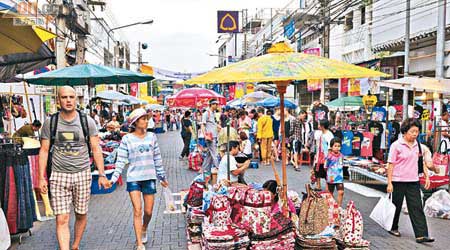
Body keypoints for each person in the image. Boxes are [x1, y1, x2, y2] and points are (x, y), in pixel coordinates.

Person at [38, 86, 108, 250]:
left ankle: (75, 245)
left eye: (71, 97)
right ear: (58, 100)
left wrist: (102, 174)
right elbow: (44, 150)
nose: (68, 100)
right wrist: (42, 177)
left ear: (76, 99)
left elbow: (96, 148)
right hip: (58, 175)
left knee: (81, 214)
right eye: (64, 97)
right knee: (62, 218)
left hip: (82, 174)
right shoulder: (51, 122)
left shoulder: (87, 121)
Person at [109, 108, 169, 250]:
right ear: (135, 122)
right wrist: (113, 178)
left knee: (148, 212)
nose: (146, 121)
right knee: (138, 210)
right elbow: (121, 161)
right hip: (134, 179)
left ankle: (144, 227)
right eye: (143, 119)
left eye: (146, 118)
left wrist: (162, 177)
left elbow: (157, 158)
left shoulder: (152, 137)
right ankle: (139, 243)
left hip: (149, 178)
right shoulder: (127, 139)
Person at [386, 118, 434, 244]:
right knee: (395, 206)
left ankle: (422, 234)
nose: (415, 134)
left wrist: (426, 176)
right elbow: (390, 164)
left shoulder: (418, 145)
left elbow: (421, 162)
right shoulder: (396, 146)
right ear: (405, 131)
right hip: (398, 180)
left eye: (417, 132)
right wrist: (389, 182)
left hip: (413, 180)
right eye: (412, 131)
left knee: (417, 207)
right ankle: (393, 227)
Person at [201, 99, 221, 183]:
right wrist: (205, 135)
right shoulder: (206, 113)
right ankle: (219, 168)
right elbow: (203, 125)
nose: (217, 106)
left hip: (215, 136)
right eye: (215, 104)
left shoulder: (214, 114)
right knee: (214, 153)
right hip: (210, 137)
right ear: (211, 105)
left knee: (209, 155)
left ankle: (204, 169)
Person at [313, 119, 334, 191]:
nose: (318, 126)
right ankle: (318, 185)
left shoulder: (329, 135)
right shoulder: (319, 133)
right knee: (317, 170)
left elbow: (330, 147)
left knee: (326, 172)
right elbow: (317, 143)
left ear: (322, 126)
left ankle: (327, 187)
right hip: (319, 155)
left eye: (319, 124)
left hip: (326, 155)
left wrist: (328, 158)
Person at [324, 137, 345, 206]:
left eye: (339, 146)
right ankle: (331, 208)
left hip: (339, 178)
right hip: (331, 178)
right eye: (335, 146)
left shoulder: (341, 156)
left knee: (341, 192)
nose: (337, 148)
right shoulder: (329, 156)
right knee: (330, 194)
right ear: (331, 147)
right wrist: (328, 176)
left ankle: (339, 207)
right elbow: (325, 167)